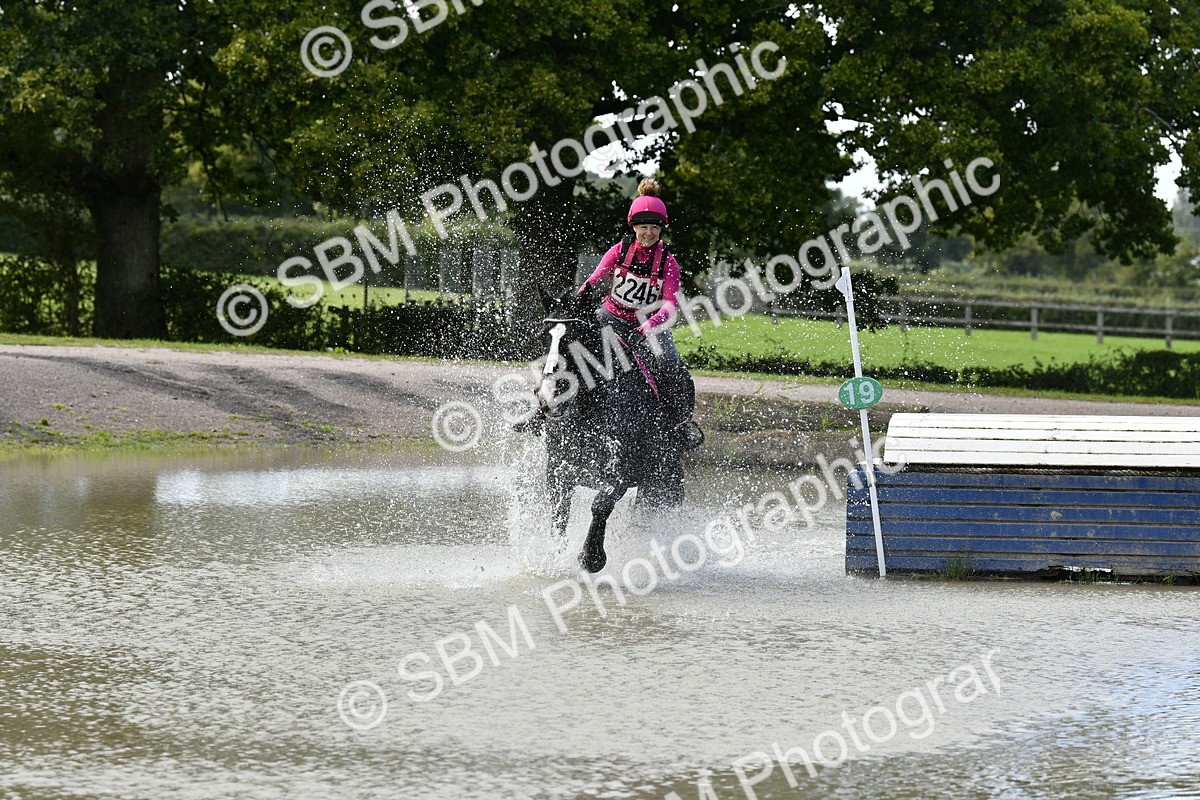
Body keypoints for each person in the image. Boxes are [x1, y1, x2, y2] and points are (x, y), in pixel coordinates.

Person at [577, 178, 700, 450]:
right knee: (571, 348)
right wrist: (576, 300)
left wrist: (649, 327)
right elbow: (595, 279)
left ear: (661, 229)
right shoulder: (619, 250)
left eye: (654, 227)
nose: (648, 233)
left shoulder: (668, 262)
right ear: (633, 227)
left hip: (648, 327)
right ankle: (542, 409)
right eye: (643, 227)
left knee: (671, 364)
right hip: (609, 318)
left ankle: (681, 426)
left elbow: (669, 305)